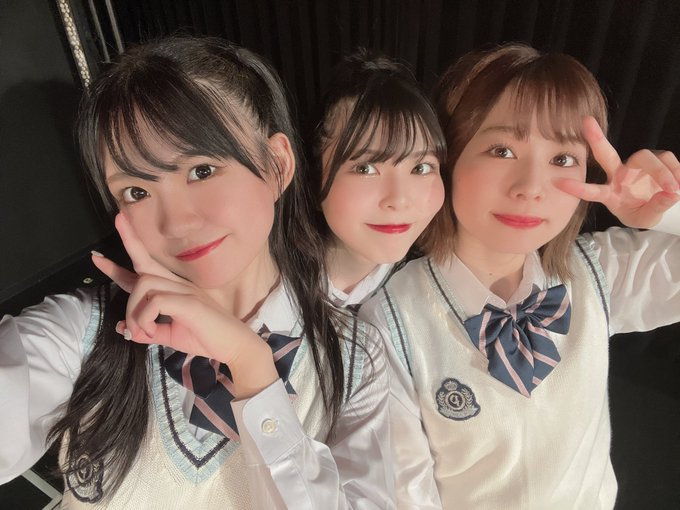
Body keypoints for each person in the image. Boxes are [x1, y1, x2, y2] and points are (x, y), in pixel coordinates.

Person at [0, 36, 394, 509]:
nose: (177, 223)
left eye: (202, 170)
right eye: (137, 192)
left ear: (277, 165)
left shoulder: (354, 358)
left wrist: (251, 367)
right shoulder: (86, 330)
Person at [360, 43, 680, 509]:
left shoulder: (599, 272)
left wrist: (667, 211)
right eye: (502, 150)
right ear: (449, 155)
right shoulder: (389, 322)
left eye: (562, 159)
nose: (530, 187)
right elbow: (405, 497)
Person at [309, 50, 447, 308]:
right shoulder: (264, 286)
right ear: (314, 178)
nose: (399, 199)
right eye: (365, 169)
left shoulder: (441, 289)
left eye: (420, 167)